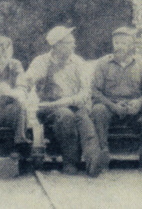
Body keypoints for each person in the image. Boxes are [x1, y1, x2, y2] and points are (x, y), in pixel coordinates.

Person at [17, 26, 109, 177]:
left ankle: (94, 161)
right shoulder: (42, 62)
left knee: (84, 119)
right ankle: (70, 162)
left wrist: (68, 101)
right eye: (69, 42)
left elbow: (85, 92)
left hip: (72, 105)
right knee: (66, 115)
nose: (74, 45)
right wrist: (21, 90)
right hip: (49, 109)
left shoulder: (78, 62)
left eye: (73, 42)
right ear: (57, 45)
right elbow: (28, 78)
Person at [90, 27, 142, 171]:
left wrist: (139, 103)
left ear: (132, 46)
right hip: (111, 108)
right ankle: (103, 155)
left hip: (134, 109)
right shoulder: (103, 64)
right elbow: (95, 92)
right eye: (116, 43)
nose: (118, 46)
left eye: (123, 43)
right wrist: (111, 105)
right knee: (98, 109)